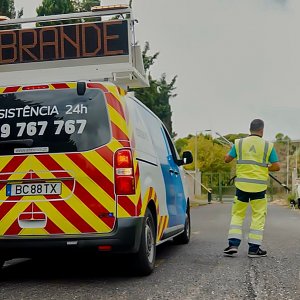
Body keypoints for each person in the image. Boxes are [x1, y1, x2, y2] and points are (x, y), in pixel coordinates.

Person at [223, 119, 280, 258]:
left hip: (241, 186)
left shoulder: (239, 143)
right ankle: (254, 249)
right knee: (258, 215)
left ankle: (233, 245)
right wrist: (266, 166)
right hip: (259, 187)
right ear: (262, 130)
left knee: (238, 214)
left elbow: (226, 159)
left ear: (250, 129)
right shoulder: (268, 146)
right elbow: (277, 166)